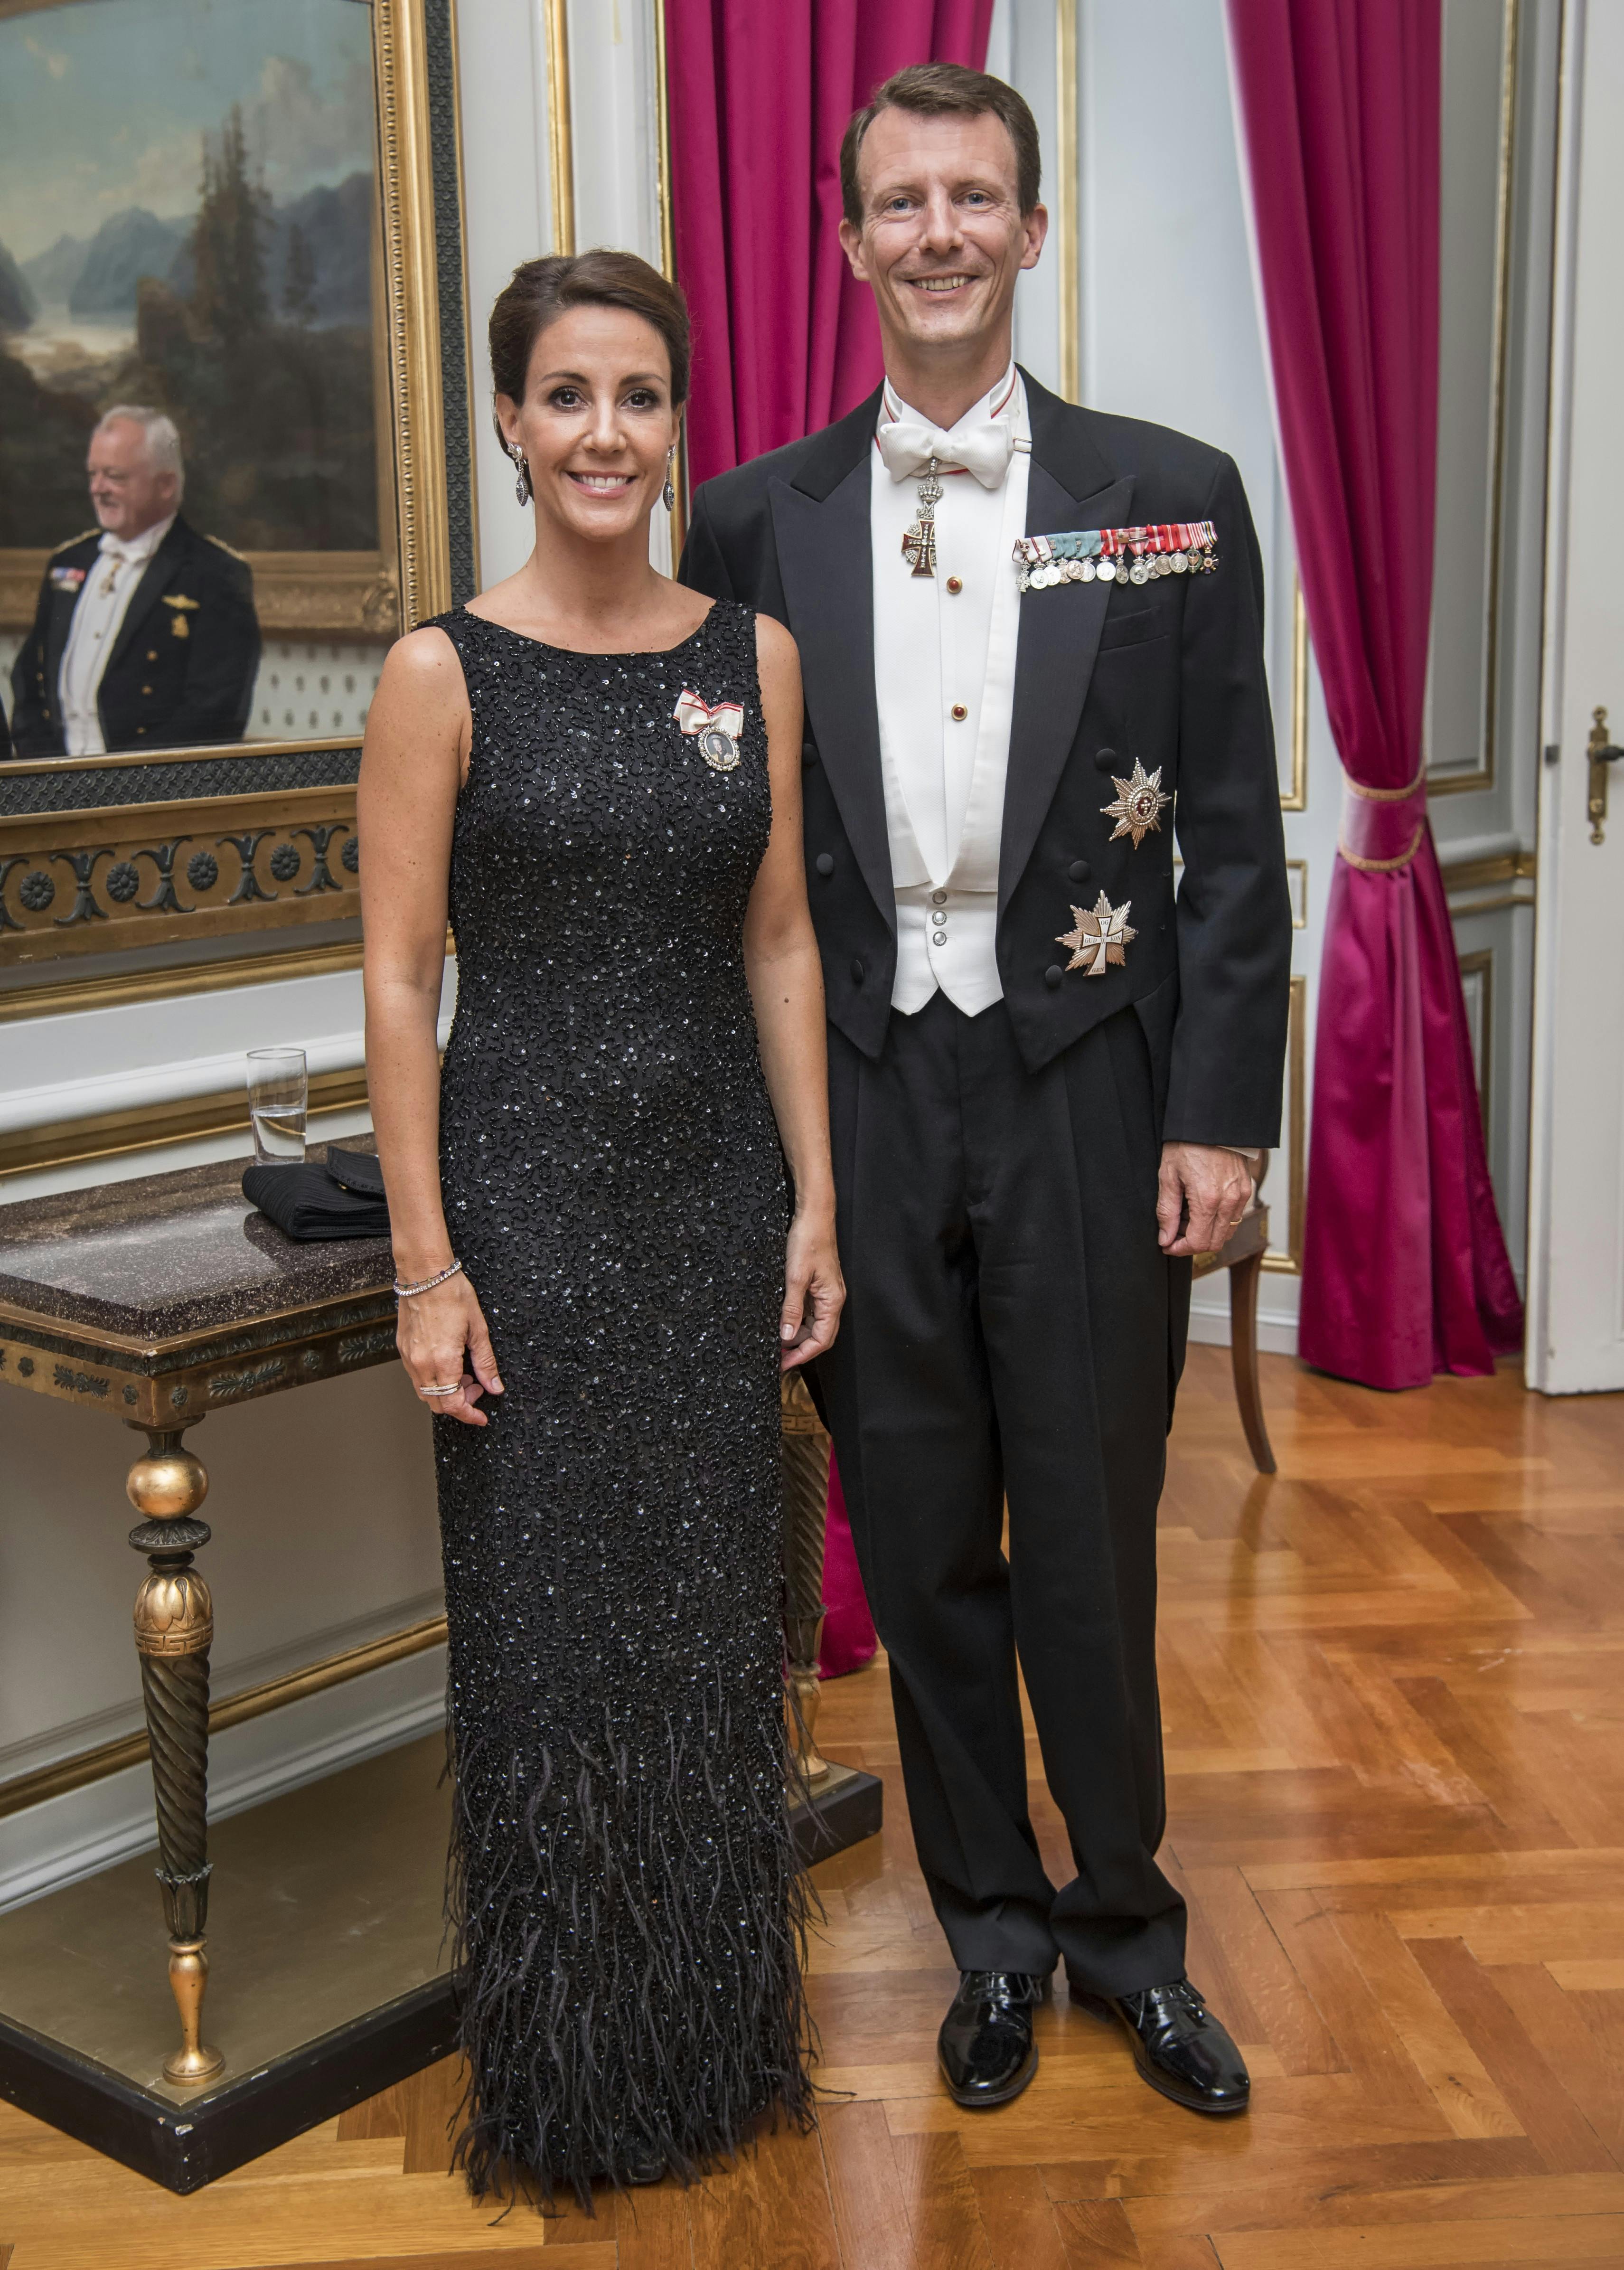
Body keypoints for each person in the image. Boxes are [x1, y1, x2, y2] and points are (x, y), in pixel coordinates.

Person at [681, 64, 1291, 2119]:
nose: (938, 231)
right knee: (925, 1530)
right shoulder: (754, 518)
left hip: (1090, 1085)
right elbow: (723, 859)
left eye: (976, 196)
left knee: (1093, 1529)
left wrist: (1223, 1113)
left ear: (1033, 233)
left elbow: (1231, 829)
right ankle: (996, 1932)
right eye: (901, 202)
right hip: (856, 1092)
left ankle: (1128, 1920)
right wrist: (751, 1157)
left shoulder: (1171, 491)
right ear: (848, 242)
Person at [358, 250, 842, 2204]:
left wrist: (814, 1193)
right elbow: (398, 982)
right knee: (556, 1653)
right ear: (507, 421)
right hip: (530, 1223)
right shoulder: (436, 672)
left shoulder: (754, 655)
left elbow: (784, 934)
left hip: (717, 1201)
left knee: (712, 1632)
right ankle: (571, 2085)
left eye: (638, 396)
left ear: (676, 422)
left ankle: (710, 2048)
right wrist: (424, 1263)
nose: (604, 435)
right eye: (566, 395)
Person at [9, 405, 259, 757]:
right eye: (93, 474)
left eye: (115, 476)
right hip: (53, 787)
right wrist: (43, 771)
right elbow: (29, 678)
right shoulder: (67, 562)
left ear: (166, 484)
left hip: (148, 796)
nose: (98, 488)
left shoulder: (213, 573)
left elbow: (214, 712)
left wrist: (124, 786)